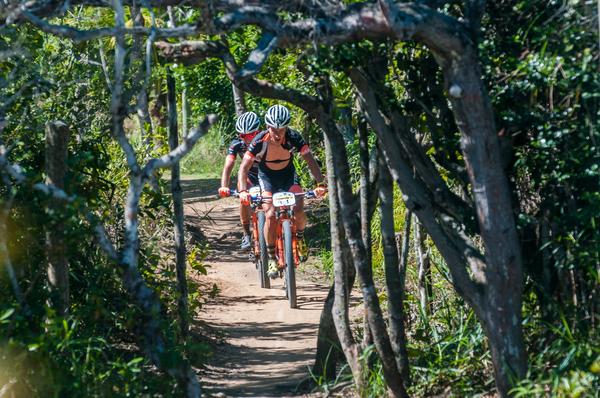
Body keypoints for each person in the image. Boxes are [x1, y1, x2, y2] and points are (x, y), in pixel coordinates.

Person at [237, 104, 327, 279]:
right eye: (273, 129)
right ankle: (271, 257)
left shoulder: (294, 137)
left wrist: (320, 183)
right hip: (267, 178)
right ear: (267, 127)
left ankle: (300, 237)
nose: (277, 134)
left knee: (299, 208)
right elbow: (243, 168)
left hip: (288, 176)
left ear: (287, 127)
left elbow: (309, 160)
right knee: (270, 214)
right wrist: (242, 190)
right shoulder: (258, 141)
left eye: (281, 129)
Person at [218, 111, 261, 250]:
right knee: (243, 194)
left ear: (258, 131)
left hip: (268, 176)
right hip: (250, 177)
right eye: (243, 136)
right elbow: (228, 166)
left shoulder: (267, 139)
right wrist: (224, 186)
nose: (248, 139)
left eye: (251, 135)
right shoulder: (237, 144)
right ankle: (246, 233)